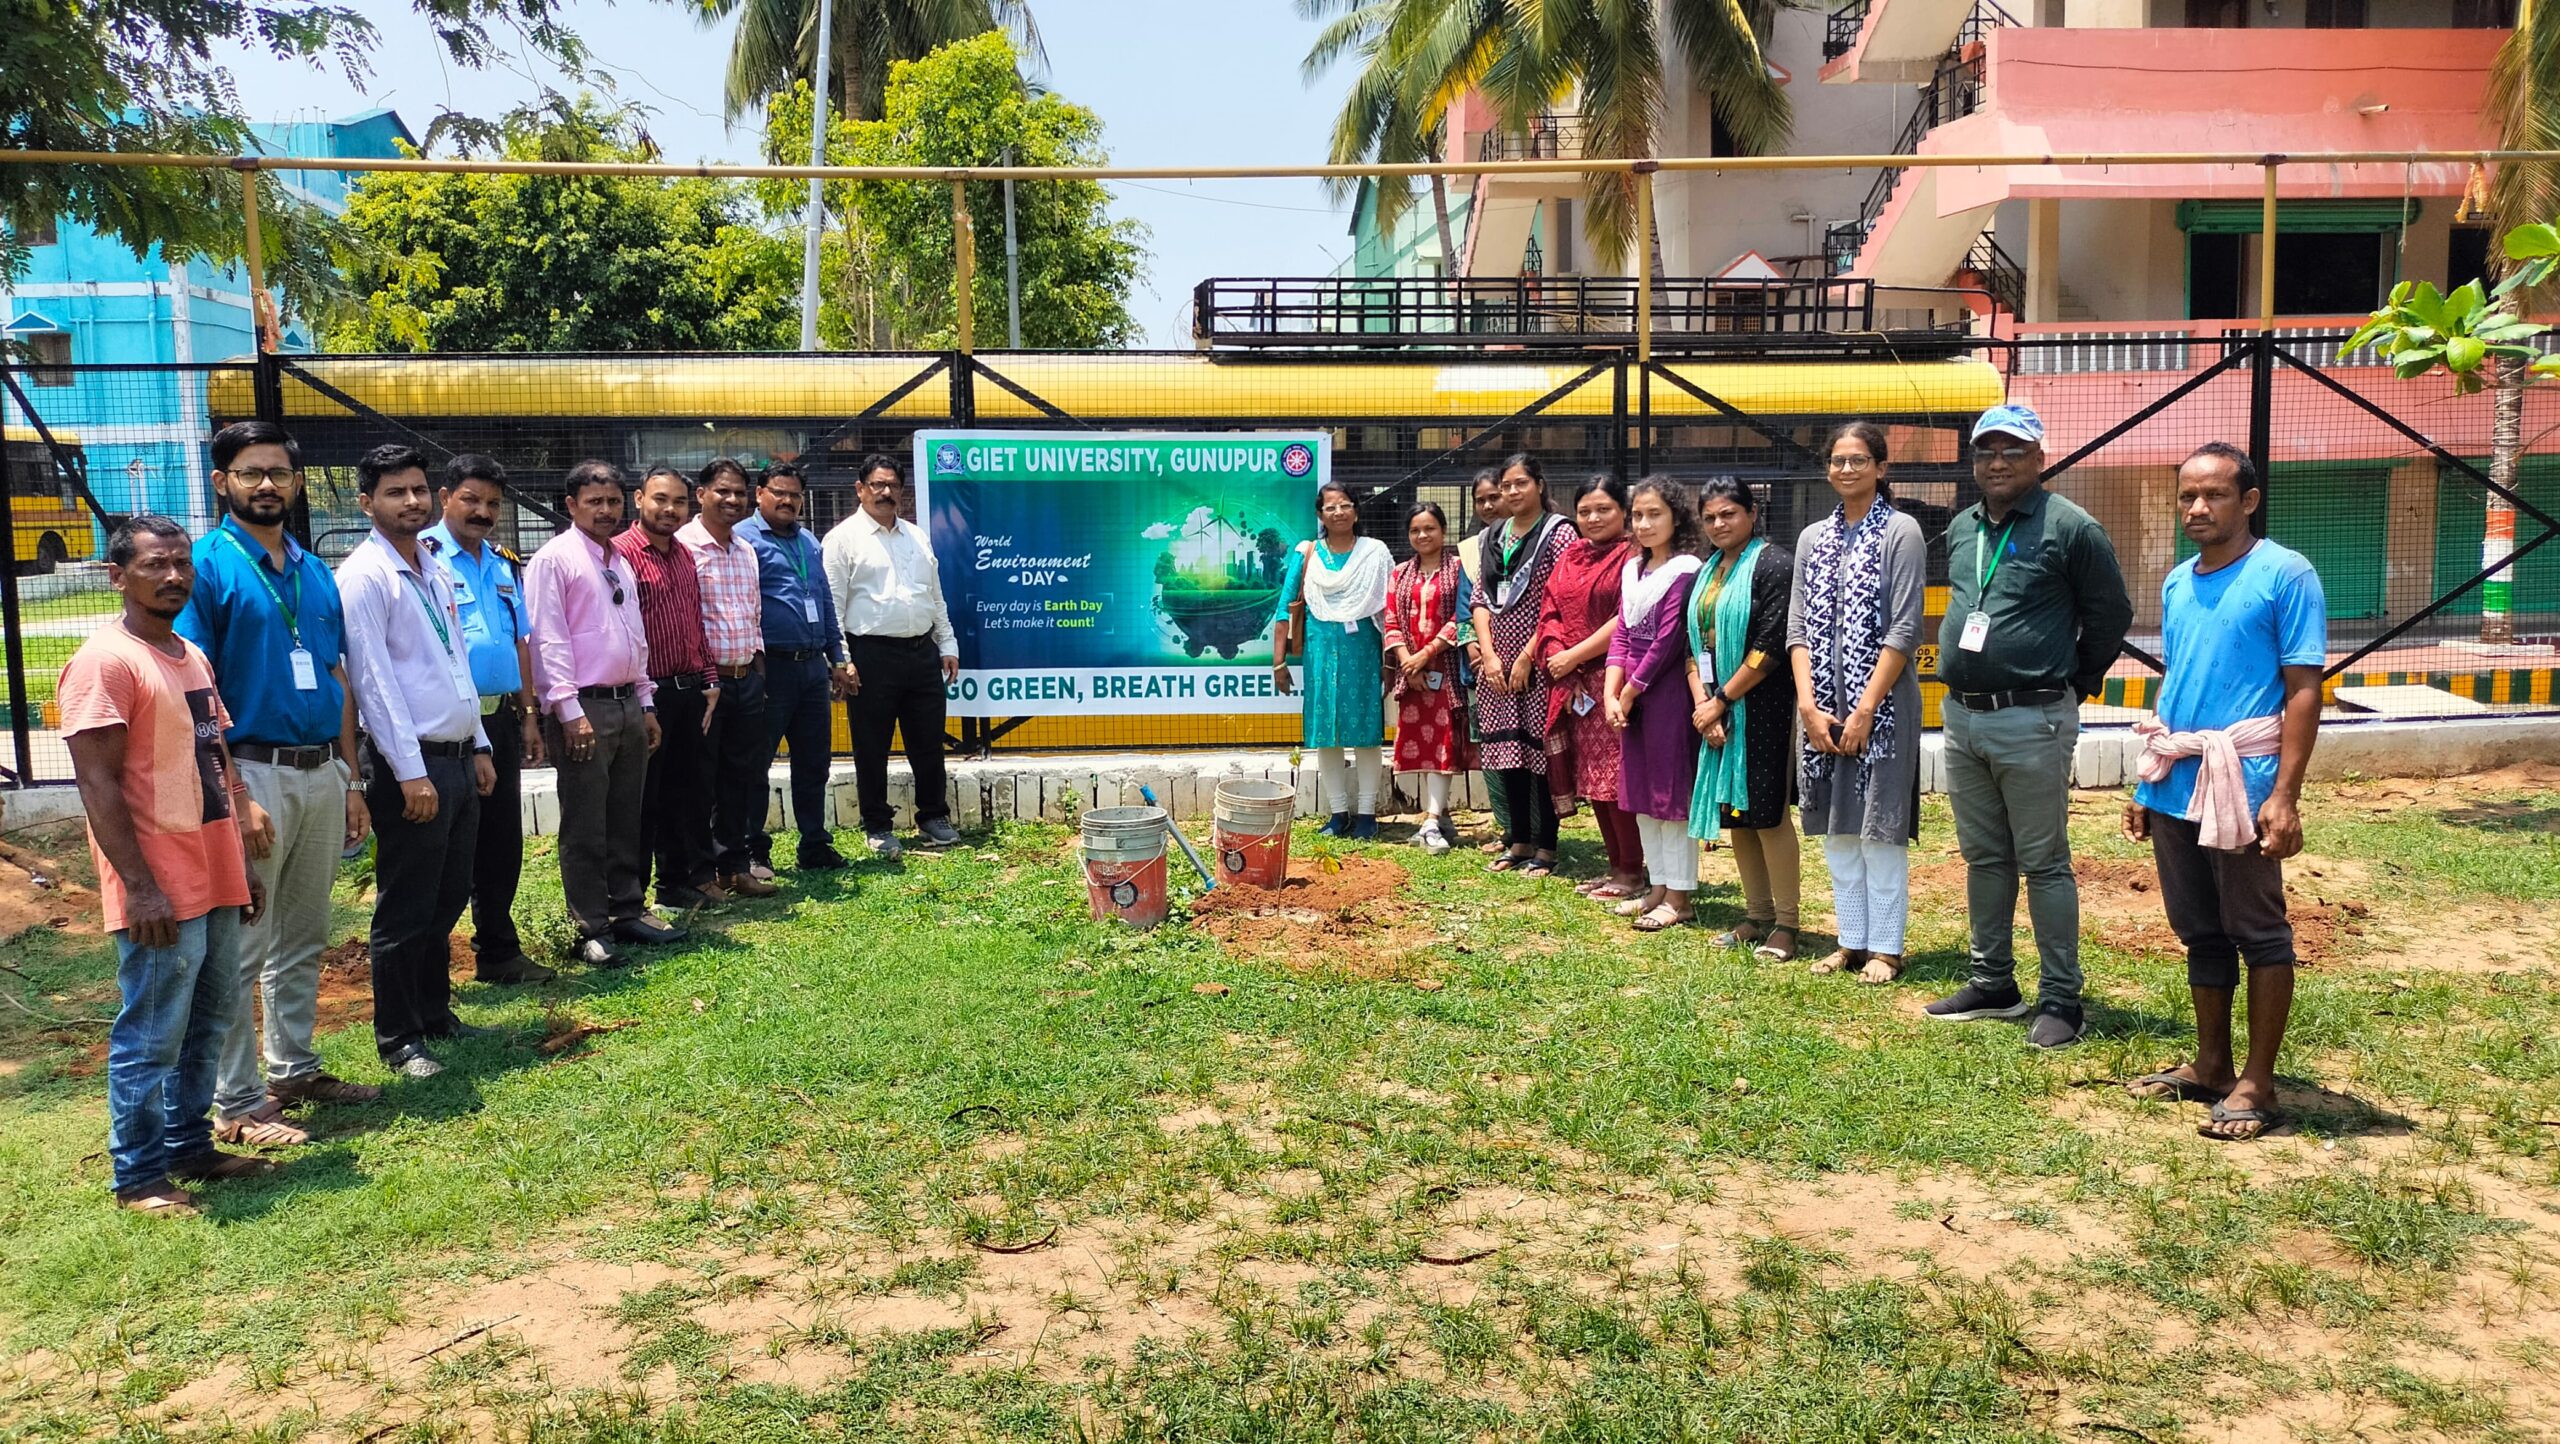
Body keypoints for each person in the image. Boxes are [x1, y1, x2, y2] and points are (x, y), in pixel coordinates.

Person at [62, 515, 272, 1216]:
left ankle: (190, 1147)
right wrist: (140, 887)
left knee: (209, 1021)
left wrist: (240, 860)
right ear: (117, 576)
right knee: (152, 1034)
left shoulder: (191, 655)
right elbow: (97, 784)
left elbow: (214, 761)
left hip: (213, 869)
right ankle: (139, 1176)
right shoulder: (106, 662)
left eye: (182, 563)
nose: (174, 576)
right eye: (155, 565)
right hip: (158, 884)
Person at [176, 420, 376, 1150]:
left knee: (305, 934)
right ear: (221, 482)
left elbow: (335, 675)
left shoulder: (314, 569)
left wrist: (350, 777)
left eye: (279, 473)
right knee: (244, 944)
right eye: (250, 472)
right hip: (251, 772)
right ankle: (236, 1101)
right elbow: (195, 693)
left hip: (320, 770)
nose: (267, 485)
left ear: (297, 483)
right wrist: (234, 795)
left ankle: (293, 1069)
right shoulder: (206, 568)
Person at [2123, 443, 2324, 1142]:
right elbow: (2177, 680)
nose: (2198, 508)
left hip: (2244, 781)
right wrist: (2148, 780)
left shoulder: (2285, 574)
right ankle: (2211, 1065)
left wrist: (2285, 795)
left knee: (2259, 932)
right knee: (2199, 930)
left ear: (2250, 500)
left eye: (2214, 494)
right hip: (2178, 779)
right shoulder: (2179, 581)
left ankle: (2258, 1084)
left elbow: (2304, 690)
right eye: (2187, 496)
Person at [1925, 404, 2134, 1049]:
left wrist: (2074, 681)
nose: (1997, 462)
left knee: (2043, 862)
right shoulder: (1963, 528)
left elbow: (2111, 614)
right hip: (1962, 717)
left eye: (2012, 450)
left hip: (2032, 717)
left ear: (2040, 458)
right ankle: (1993, 982)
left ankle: (2062, 998)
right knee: (1984, 856)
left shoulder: (2070, 528)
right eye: (1986, 450)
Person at [337, 444, 498, 1079]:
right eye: (395, 492)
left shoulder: (430, 566)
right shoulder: (365, 576)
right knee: (406, 905)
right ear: (366, 503)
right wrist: (410, 773)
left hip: (456, 757)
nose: (412, 501)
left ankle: (434, 1011)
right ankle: (399, 1037)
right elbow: (372, 683)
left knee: (448, 893)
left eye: (418, 489)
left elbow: (456, 658)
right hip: (413, 766)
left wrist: (479, 742)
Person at [1790, 422, 1926, 986]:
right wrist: (1807, 706)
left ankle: (1886, 949)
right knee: (1838, 829)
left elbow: (1905, 628)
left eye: (1859, 460)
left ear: (1881, 467)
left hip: (1883, 711)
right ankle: (1850, 941)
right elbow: (1798, 628)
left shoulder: (1901, 532)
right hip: (1821, 711)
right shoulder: (1812, 538)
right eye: (1838, 460)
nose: (1847, 469)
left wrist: (1866, 708)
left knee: (1879, 829)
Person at [525, 460, 676, 967]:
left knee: (626, 816)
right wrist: (568, 711)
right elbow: (547, 639)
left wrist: (646, 702)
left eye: (613, 501)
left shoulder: (619, 560)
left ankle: (627, 910)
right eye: (595, 502)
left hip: (628, 703)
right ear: (571, 505)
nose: (606, 510)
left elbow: (635, 635)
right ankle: (589, 925)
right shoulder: (555, 560)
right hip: (583, 707)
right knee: (586, 822)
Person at [421, 454, 553, 985]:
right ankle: (427, 968)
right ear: (444, 497)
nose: (482, 512)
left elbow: (520, 643)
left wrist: (529, 715)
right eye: (471, 499)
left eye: (493, 504)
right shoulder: (424, 558)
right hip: (446, 729)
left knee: (501, 843)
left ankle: (498, 952)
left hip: (499, 722)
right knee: (448, 849)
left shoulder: (502, 563)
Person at [824, 454, 961, 860]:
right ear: (860, 489)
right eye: (877, 484)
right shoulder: (842, 539)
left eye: (893, 486)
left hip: (921, 652)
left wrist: (947, 644)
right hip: (870, 656)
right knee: (871, 745)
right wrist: (841, 660)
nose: (886, 492)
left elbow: (934, 596)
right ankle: (878, 825)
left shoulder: (916, 537)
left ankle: (933, 816)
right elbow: (832, 606)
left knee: (928, 741)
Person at [1686, 477, 1801, 962]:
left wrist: (1721, 701)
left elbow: (1771, 646)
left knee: (1768, 816)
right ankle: (1757, 915)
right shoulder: (1707, 570)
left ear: (1752, 513)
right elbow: (1692, 645)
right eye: (1710, 517)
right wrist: (1704, 704)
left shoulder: (1775, 565)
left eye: (1728, 513)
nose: (1718, 524)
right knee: (1737, 817)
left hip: (1763, 709)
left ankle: (1787, 924)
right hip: (1716, 709)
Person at [617, 466, 727, 908]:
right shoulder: (621, 554)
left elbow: (695, 622)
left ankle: (676, 884)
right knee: (644, 798)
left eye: (679, 502)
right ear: (639, 498)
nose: (670, 509)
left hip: (689, 690)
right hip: (648, 694)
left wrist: (710, 678)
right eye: (660, 499)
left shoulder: (684, 554)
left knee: (685, 793)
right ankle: (633, 898)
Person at [736, 463, 853, 873]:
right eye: (779, 492)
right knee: (756, 763)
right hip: (770, 669)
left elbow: (823, 602)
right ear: (760, 494)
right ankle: (752, 847)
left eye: (795, 495)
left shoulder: (808, 541)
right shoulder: (743, 540)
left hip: (812, 669)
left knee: (814, 762)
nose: (787, 501)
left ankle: (814, 844)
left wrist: (838, 658)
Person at [1605, 477, 1704, 931]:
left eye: (1654, 514)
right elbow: (1623, 633)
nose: (1644, 524)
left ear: (1676, 517)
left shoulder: (1685, 570)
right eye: (1638, 515)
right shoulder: (1634, 571)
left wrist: (1629, 691)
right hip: (1632, 695)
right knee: (1642, 795)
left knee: (1670, 794)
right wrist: (1610, 691)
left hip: (1666, 696)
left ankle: (1680, 896)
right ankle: (1658, 887)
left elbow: (1667, 642)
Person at [1470, 453, 1574, 875]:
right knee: (1507, 752)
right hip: (1497, 662)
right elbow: (1480, 598)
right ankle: (1518, 841)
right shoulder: (1494, 534)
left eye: (1521, 483)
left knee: (1539, 753)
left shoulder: (1558, 533)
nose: (1512, 492)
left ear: (1539, 485)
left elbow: (1559, 601)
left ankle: (1546, 846)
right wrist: (1490, 655)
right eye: (1506, 485)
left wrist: (1528, 656)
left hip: (1539, 658)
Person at [679, 458, 778, 899]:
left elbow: (753, 614)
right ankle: (699, 872)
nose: (732, 499)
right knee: (699, 781)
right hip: (705, 686)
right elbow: (685, 623)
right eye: (722, 490)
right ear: (701, 494)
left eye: (739, 492)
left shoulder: (746, 550)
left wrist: (757, 668)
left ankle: (734, 868)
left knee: (740, 777)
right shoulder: (683, 548)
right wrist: (706, 679)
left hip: (745, 680)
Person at [1273, 481, 1392, 839]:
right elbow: (1285, 605)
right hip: (1320, 649)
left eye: (1345, 505)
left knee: (1366, 731)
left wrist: (1390, 661)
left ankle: (1367, 815)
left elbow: (1391, 610)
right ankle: (1338, 814)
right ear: (1320, 514)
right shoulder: (1307, 553)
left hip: (1364, 650)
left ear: (1356, 510)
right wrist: (1279, 662)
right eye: (1330, 507)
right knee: (1327, 732)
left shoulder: (1375, 553)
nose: (1338, 512)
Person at [1536, 477, 1637, 899]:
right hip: (1574, 686)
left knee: (1617, 779)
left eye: (1604, 509)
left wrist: (1574, 655)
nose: (1593, 518)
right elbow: (1550, 611)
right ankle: (1616, 867)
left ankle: (1632, 871)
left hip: (1615, 678)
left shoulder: (1633, 555)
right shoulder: (1571, 556)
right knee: (1593, 778)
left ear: (1623, 512)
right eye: (1584, 511)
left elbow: (1626, 617)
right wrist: (1559, 658)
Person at [1381, 501, 1472, 854]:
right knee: (1421, 743)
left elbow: (1461, 616)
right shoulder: (1400, 573)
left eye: (1429, 528)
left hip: (1445, 671)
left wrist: (1426, 655)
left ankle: (1431, 821)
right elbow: (1391, 620)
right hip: (1413, 676)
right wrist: (1408, 662)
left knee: (1443, 743)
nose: (1423, 535)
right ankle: (1441, 815)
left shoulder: (1459, 569)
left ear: (1443, 531)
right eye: (1415, 530)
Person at [1456, 467, 1510, 849]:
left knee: (1523, 749)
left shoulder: (1532, 542)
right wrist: (1472, 646)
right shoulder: (1470, 550)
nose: (1488, 506)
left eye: (1494, 497)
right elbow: (1464, 605)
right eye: (1481, 500)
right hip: (1480, 666)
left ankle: (1532, 829)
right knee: (1489, 746)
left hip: (1523, 662)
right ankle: (1506, 825)